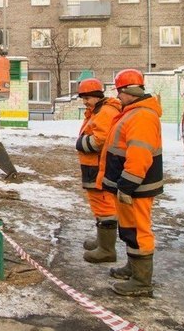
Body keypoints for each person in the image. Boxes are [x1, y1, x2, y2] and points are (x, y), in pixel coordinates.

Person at [97, 69, 163, 297]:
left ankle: (142, 282)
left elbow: (139, 154)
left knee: (139, 231)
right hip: (128, 185)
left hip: (135, 187)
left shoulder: (142, 116)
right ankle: (133, 268)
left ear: (128, 91)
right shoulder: (133, 112)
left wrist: (127, 184)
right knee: (129, 230)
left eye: (119, 92)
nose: (117, 97)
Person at [74, 78, 122, 263]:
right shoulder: (97, 111)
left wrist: (81, 144)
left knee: (104, 204)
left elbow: (100, 139)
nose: (85, 101)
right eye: (83, 98)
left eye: (87, 97)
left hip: (99, 166)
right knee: (98, 203)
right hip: (93, 165)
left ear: (97, 96)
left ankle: (106, 249)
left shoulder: (105, 112)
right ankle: (102, 241)